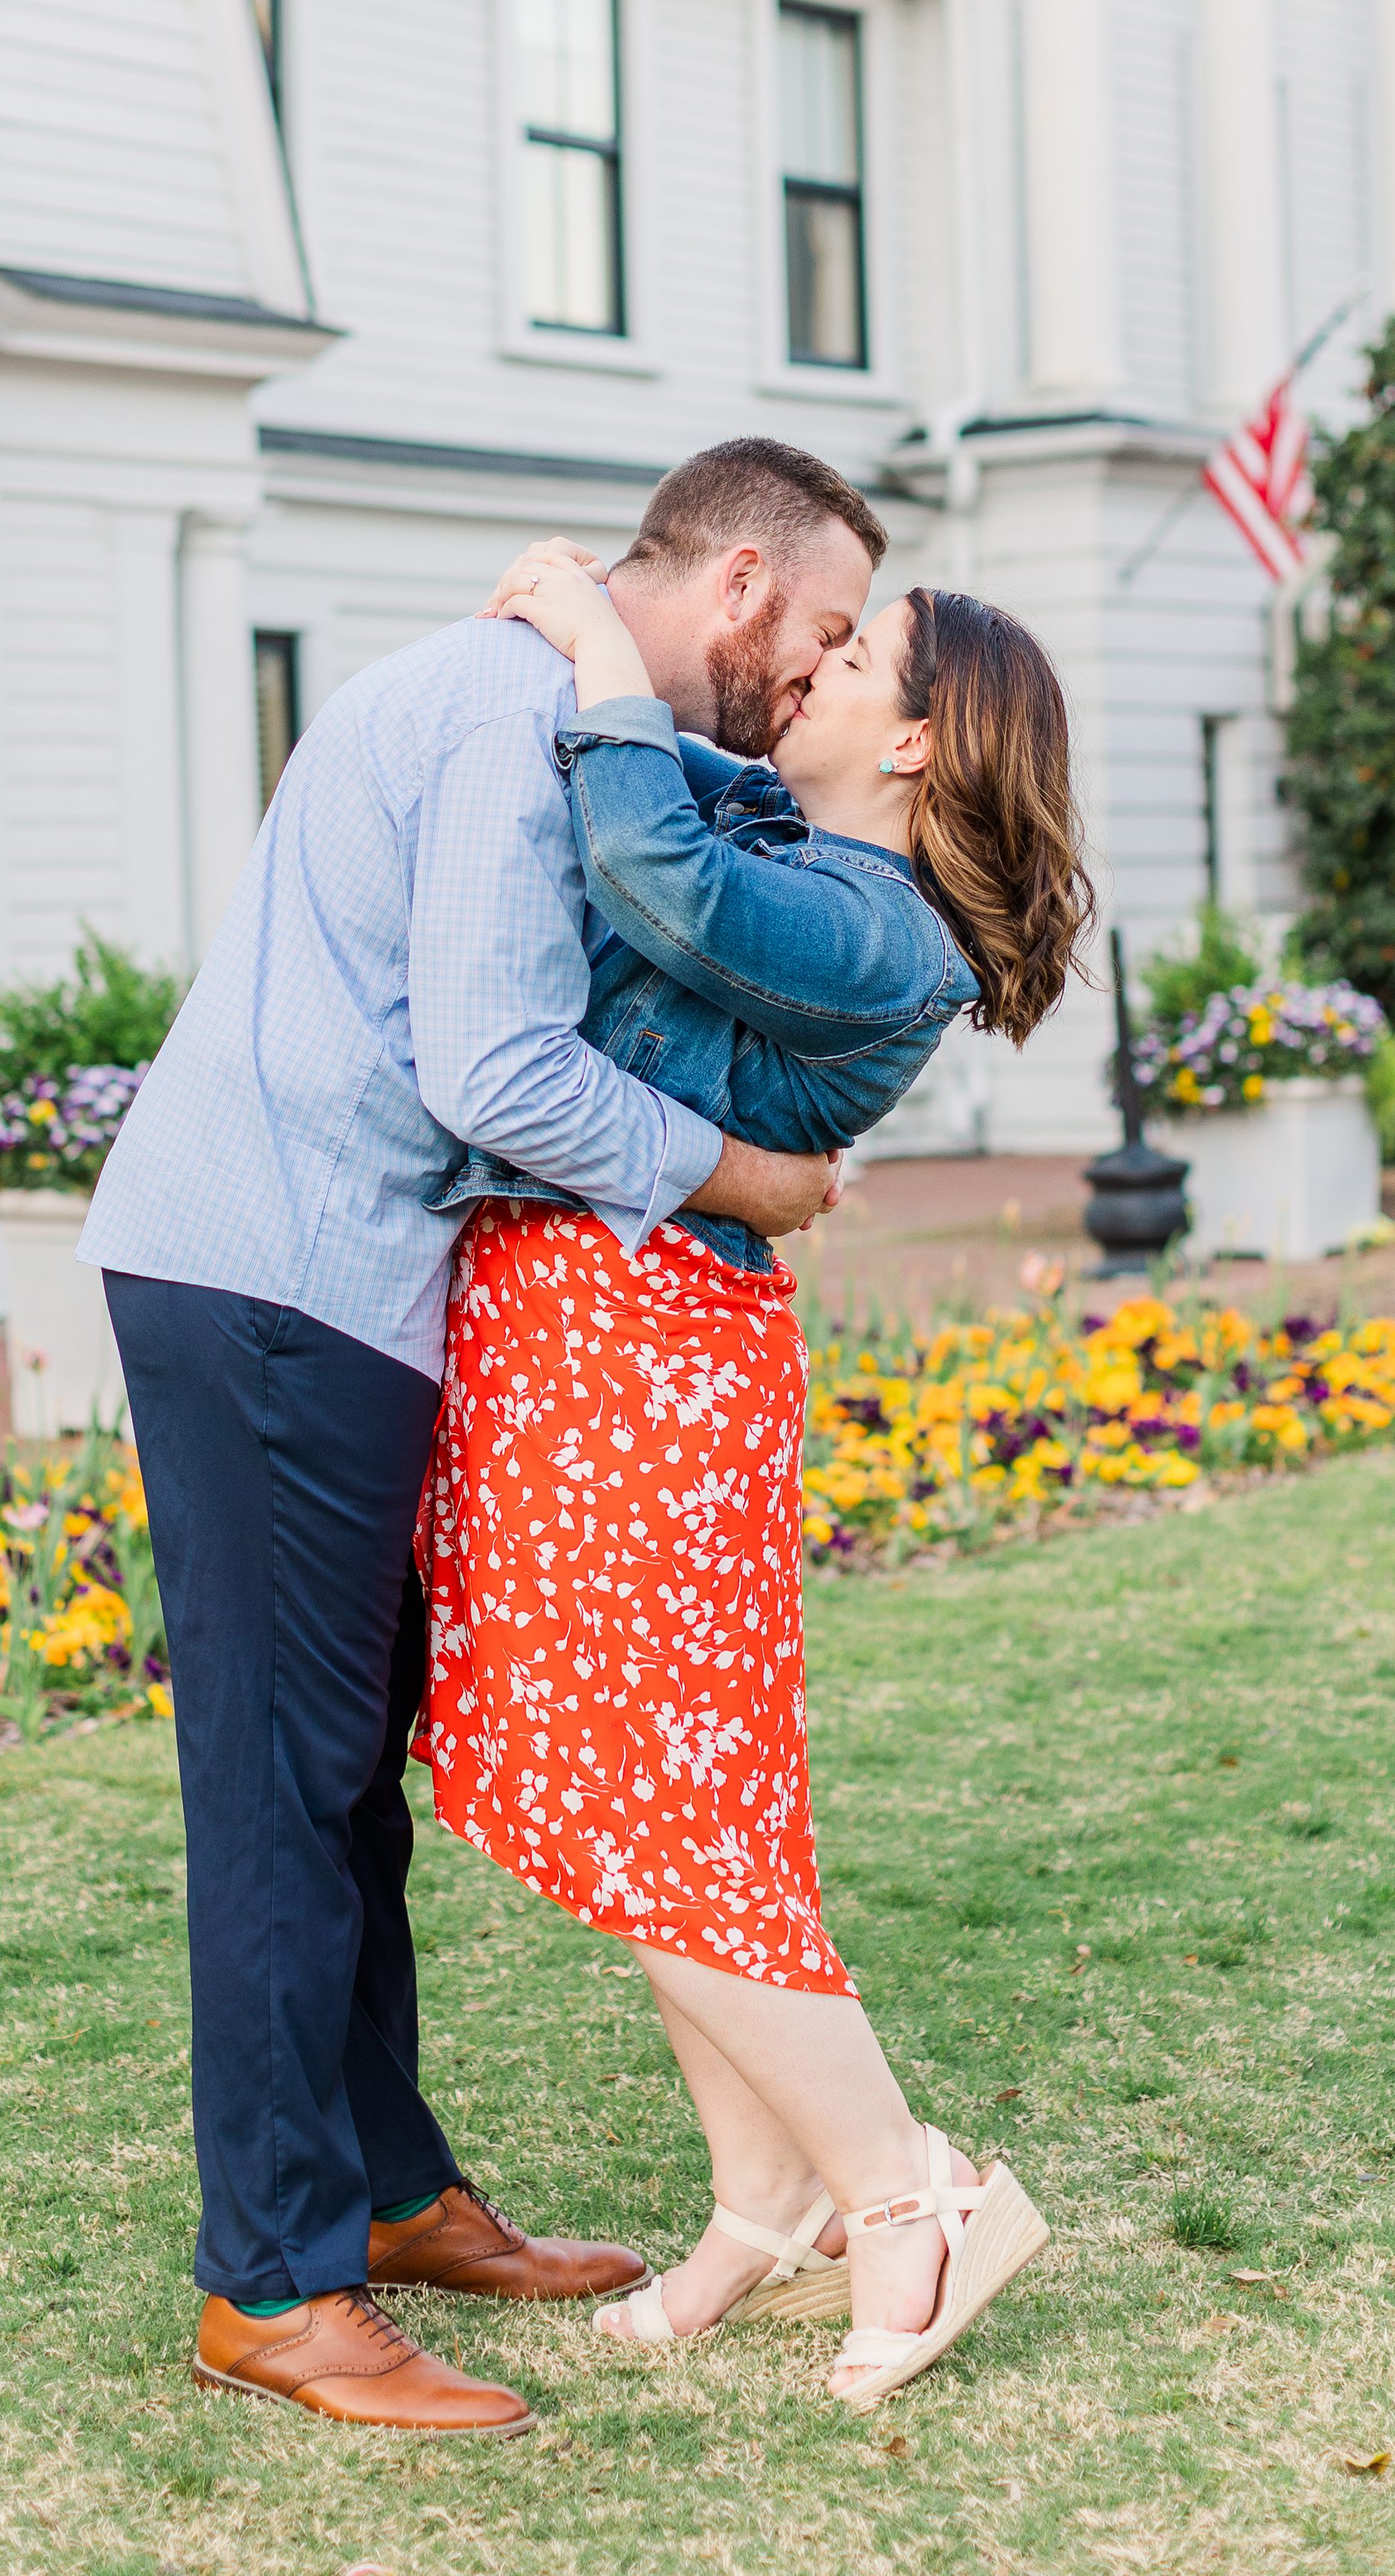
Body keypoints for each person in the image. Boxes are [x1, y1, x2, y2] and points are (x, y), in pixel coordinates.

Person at [79, 439, 885, 2434]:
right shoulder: (519, 717)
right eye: (827, 630)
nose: (821, 673)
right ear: (739, 584)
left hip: (321, 1271)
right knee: (282, 1790)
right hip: (279, 1273)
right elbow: (499, 1066)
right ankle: (276, 2285)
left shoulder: (547, 696)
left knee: (345, 1777)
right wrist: (743, 1179)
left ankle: (391, 2189)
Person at [420, 534, 1093, 2405]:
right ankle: (766, 2206)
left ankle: (906, 2192)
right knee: (681, 1812)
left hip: (640, 1349)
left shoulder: (882, 929)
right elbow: (679, 827)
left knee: (632, 1805)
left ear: (922, 742)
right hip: (592, 1327)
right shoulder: (803, 854)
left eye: (856, 660)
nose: (814, 674)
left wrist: (591, 639)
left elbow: (652, 870)